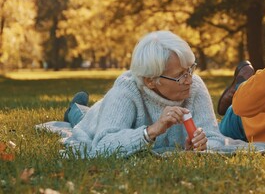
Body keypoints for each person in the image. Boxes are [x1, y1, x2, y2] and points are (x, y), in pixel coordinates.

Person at [63, 30, 225, 157]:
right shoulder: (125, 90)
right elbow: (103, 145)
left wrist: (203, 145)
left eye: (190, 69)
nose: (189, 80)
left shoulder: (194, 85)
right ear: (150, 81)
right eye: (180, 75)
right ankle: (73, 108)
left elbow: (215, 138)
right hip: (97, 117)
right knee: (82, 116)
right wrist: (152, 131)